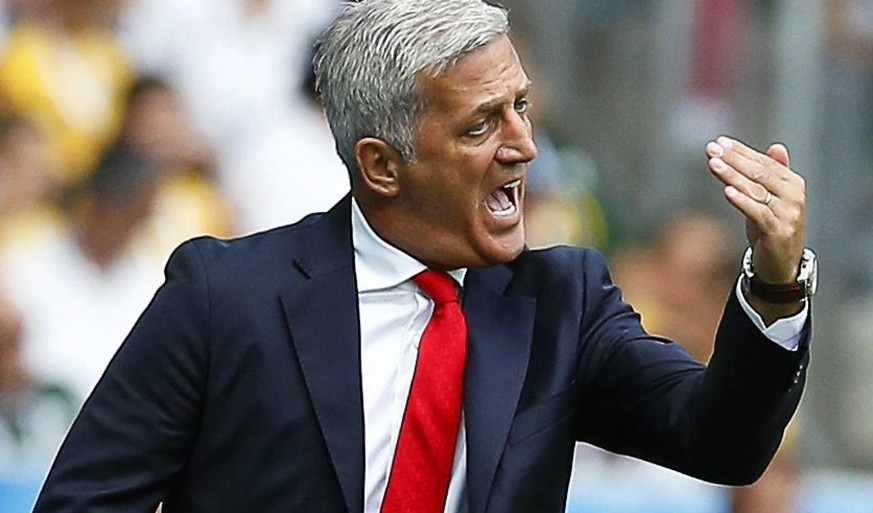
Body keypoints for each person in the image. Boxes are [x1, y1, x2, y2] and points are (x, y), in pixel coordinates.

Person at [32, 1, 814, 512]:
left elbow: (723, 442)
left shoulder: (561, 302)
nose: (524, 147)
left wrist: (774, 284)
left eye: (521, 107)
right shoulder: (226, 295)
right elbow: (85, 502)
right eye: (481, 125)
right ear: (382, 164)